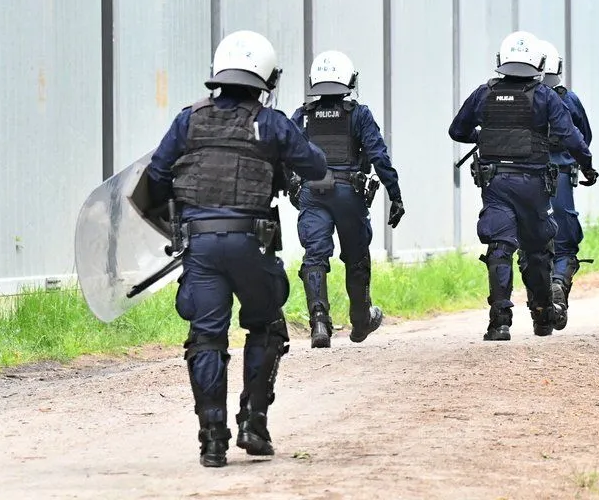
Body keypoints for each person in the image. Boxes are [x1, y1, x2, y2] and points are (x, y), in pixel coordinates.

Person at [146, 31, 328, 468]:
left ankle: (212, 440)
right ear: (265, 76)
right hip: (252, 243)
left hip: (201, 246)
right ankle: (254, 422)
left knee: (206, 337)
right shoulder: (272, 122)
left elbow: (154, 177)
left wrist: (182, 217)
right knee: (267, 325)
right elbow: (317, 167)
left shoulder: (188, 119)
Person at [449, 31, 597, 341]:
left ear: (501, 60)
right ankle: (542, 316)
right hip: (533, 185)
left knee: (500, 246)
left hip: (496, 182)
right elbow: (571, 136)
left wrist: (485, 136)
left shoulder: (483, 93)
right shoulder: (545, 96)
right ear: (539, 63)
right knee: (537, 250)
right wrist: (587, 165)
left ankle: (499, 322)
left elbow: (457, 130)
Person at [288, 51, 406, 349]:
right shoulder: (358, 114)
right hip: (349, 195)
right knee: (356, 257)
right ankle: (361, 318)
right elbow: (379, 155)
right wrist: (395, 194)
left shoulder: (302, 116)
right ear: (350, 80)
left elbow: (282, 155)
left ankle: (319, 323)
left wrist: (292, 187)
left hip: (312, 194)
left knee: (315, 256)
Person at [535, 40, 592, 329]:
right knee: (565, 245)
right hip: (560, 181)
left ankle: (534, 309)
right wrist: (586, 166)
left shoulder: (516, 98)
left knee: (529, 245)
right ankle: (558, 286)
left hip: (523, 180)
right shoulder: (568, 100)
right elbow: (583, 138)